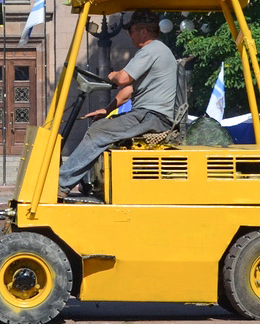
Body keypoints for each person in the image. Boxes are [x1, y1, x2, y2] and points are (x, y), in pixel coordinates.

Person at [58, 10, 179, 194]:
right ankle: (87, 182)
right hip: (149, 116)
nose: (130, 36)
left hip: (151, 117)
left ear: (144, 32)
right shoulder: (158, 51)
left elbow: (122, 79)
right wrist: (107, 110)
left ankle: (60, 184)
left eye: (131, 31)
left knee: (98, 131)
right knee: (102, 126)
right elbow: (129, 91)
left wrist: (113, 75)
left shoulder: (150, 50)